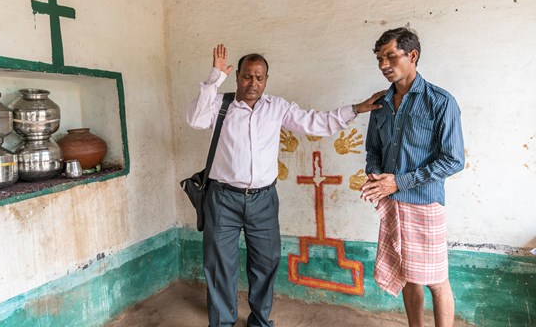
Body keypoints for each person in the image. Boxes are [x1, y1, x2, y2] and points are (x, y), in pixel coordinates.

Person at [187, 44, 385, 327]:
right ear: (237, 77)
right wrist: (214, 77)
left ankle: (259, 320)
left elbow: (315, 122)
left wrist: (355, 109)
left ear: (266, 79)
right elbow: (194, 119)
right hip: (222, 198)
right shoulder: (220, 105)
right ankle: (221, 323)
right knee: (219, 266)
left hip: (263, 200)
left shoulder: (277, 107)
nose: (252, 83)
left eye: (259, 77)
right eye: (246, 76)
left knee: (266, 263)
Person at [360, 27, 465, 327]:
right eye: (380, 59)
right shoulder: (379, 104)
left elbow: (454, 160)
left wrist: (399, 181)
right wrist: (374, 174)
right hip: (392, 202)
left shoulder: (441, 102)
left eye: (390, 56)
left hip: (424, 203)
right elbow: (373, 150)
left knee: (436, 280)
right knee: (408, 277)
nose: (383, 65)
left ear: (413, 55)